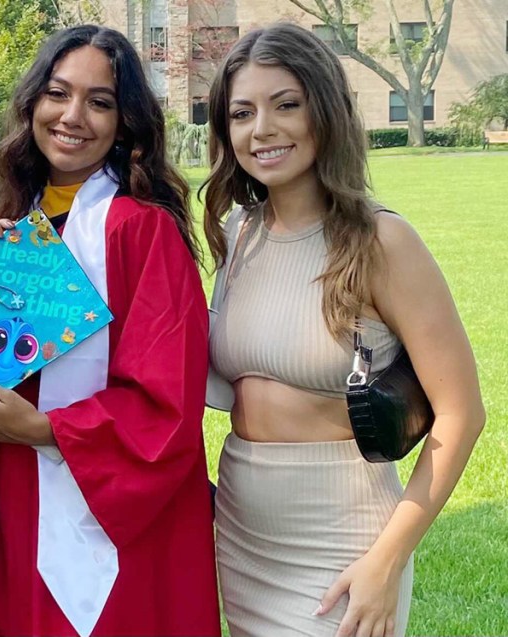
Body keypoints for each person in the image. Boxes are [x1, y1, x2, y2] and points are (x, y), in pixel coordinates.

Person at [202, 23, 485, 637]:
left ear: (324, 111)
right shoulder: (240, 236)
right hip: (242, 528)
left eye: (286, 105)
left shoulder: (382, 240)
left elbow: (462, 414)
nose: (263, 130)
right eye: (242, 112)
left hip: (346, 537)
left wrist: (387, 560)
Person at [0, 25, 220, 637]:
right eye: (57, 93)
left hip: (115, 504)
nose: (73, 116)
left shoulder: (140, 232)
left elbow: (168, 408)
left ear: (124, 122)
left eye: (99, 102)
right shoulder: (15, 228)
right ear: (32, 105)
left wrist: (47, 430)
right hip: (24, 487)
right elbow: (5, 364)